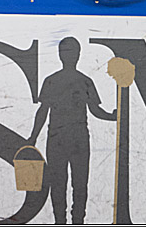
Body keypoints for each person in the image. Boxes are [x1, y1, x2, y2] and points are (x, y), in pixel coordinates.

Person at [27, 37, 116, 225]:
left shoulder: (83, 81)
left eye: (72, 51)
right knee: (63, 184)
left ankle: (76, 221)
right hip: (62, 140)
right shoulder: (56, 81)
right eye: (68, 51)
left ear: (78, 55)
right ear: (61, 55)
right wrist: (33, 137)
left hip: (75, 140)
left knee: (77, 184)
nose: (70, 55)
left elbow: (95, 110)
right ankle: (62, 221)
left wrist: (112, 117)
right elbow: (43, 111)